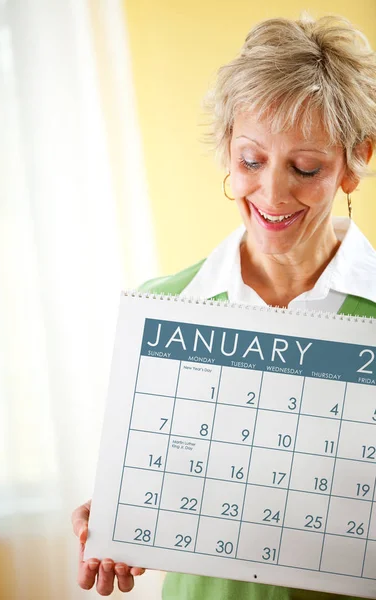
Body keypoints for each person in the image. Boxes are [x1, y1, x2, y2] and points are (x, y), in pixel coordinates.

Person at [72, 13, 376, 598]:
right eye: (251, 161)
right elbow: (161, 487)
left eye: (306, 167)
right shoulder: (164, 306)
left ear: (353, 162)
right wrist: (116, 518)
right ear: (226, 151)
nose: (272, 193)